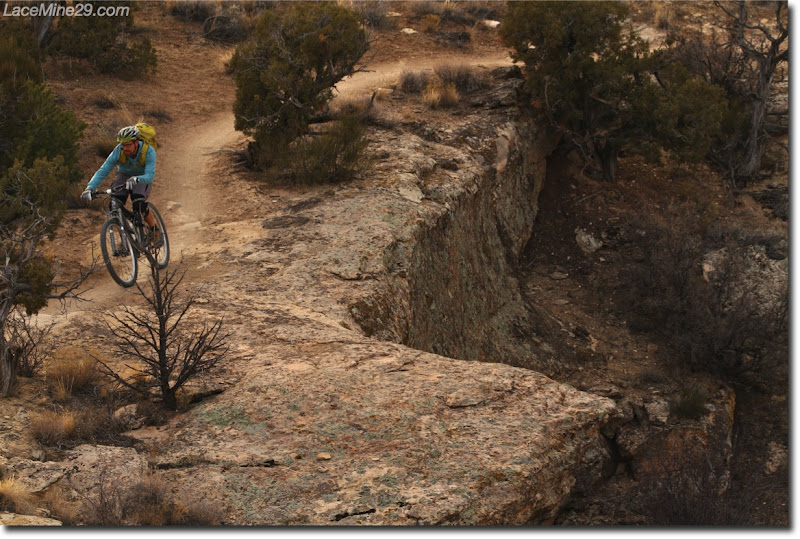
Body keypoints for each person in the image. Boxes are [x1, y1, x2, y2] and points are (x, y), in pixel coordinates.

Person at [81, 125, 159, 239]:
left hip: (141, 177)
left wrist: (137, 179)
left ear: (136, 142)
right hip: (123, 175)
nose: (125, 148)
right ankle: (124, 240)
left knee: (139, 204)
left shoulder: (148, 151)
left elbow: (150, 176)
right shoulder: (118, 151)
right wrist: (90, 188)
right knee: (114, 205)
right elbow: (104, 170)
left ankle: (154, 230)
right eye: (123, 145)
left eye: (128, 145)